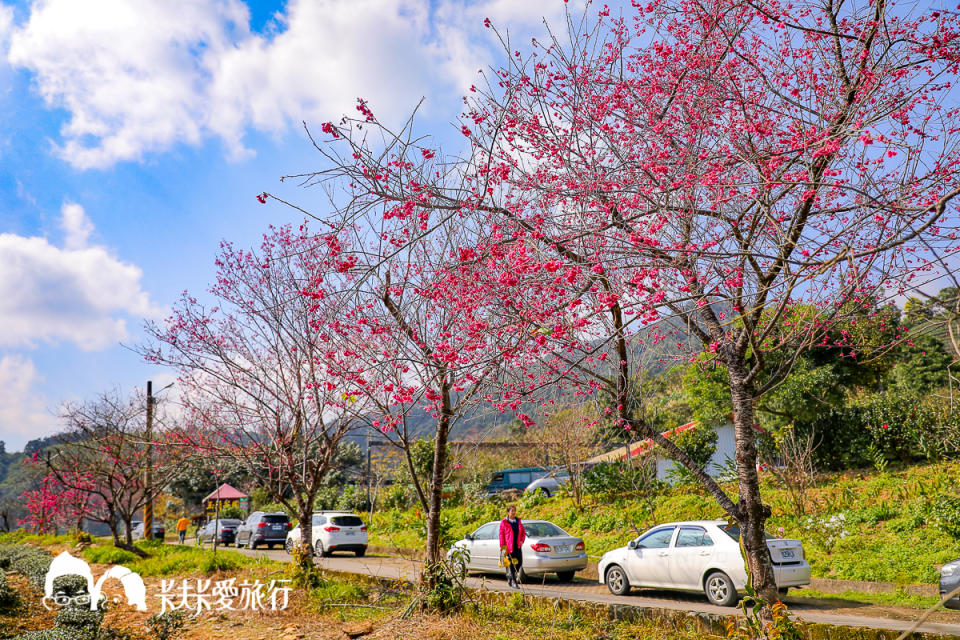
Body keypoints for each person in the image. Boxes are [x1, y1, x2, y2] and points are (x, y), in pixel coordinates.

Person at [499, 504, 526, 588]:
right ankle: (514, 582)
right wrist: (503, 547)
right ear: (508, 512)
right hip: (508, 547)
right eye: (512, 511)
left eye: (514, 511)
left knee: (519, 562)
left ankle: (510, 575)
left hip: (517, 546)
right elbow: (501, 535)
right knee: (511, 563)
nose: (514, 512)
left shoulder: (518, 521)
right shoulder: (504, 522)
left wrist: (522, 540)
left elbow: (523, 533)